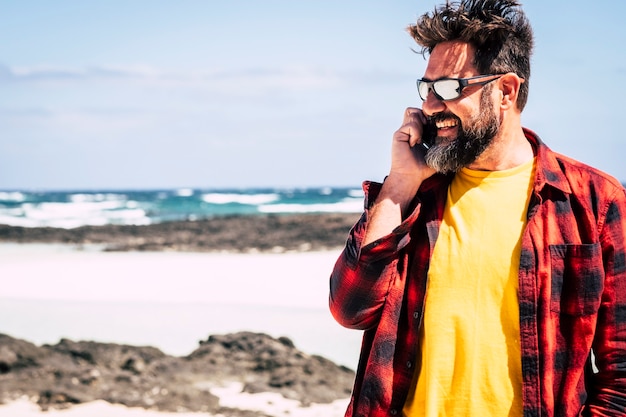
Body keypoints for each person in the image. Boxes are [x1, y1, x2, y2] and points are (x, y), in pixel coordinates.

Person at [328, 0, 626, 416]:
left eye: (450, 88)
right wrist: (399, 183)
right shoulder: (417, 193)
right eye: (426, 88)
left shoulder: (593, 201)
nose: (431, 105)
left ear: (506, 90)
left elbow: (621, 372)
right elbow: (350, 309)